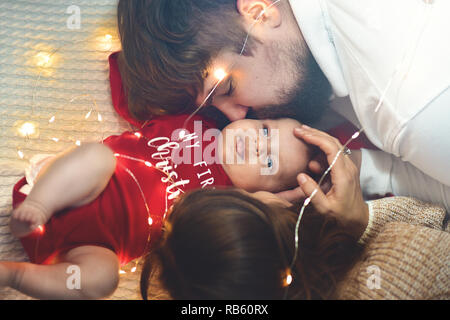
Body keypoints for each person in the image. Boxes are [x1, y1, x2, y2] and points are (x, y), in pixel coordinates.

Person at [116, 0, 450, 211]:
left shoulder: (409, 108)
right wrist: (362, 169)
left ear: (259, 12)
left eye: (227, 87)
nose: (234, 115)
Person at [0, 112, 361, 299]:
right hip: (74, 188)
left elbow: (266, 220)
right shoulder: (198, 118)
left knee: (103, 280)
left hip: (90, 248)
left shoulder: (230, 203)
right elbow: (136, 88)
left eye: (268, 164)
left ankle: (19, 275)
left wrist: (274, 204)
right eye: (265, 130)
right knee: (97, 157)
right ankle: (39, 206)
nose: (257, 146)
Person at [140, 127, 450, 300]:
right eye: (242, 198)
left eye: (266, 128)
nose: (258, 147)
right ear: (275, 207)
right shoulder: (394, 264)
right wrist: (362, 222)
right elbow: (436, 223)